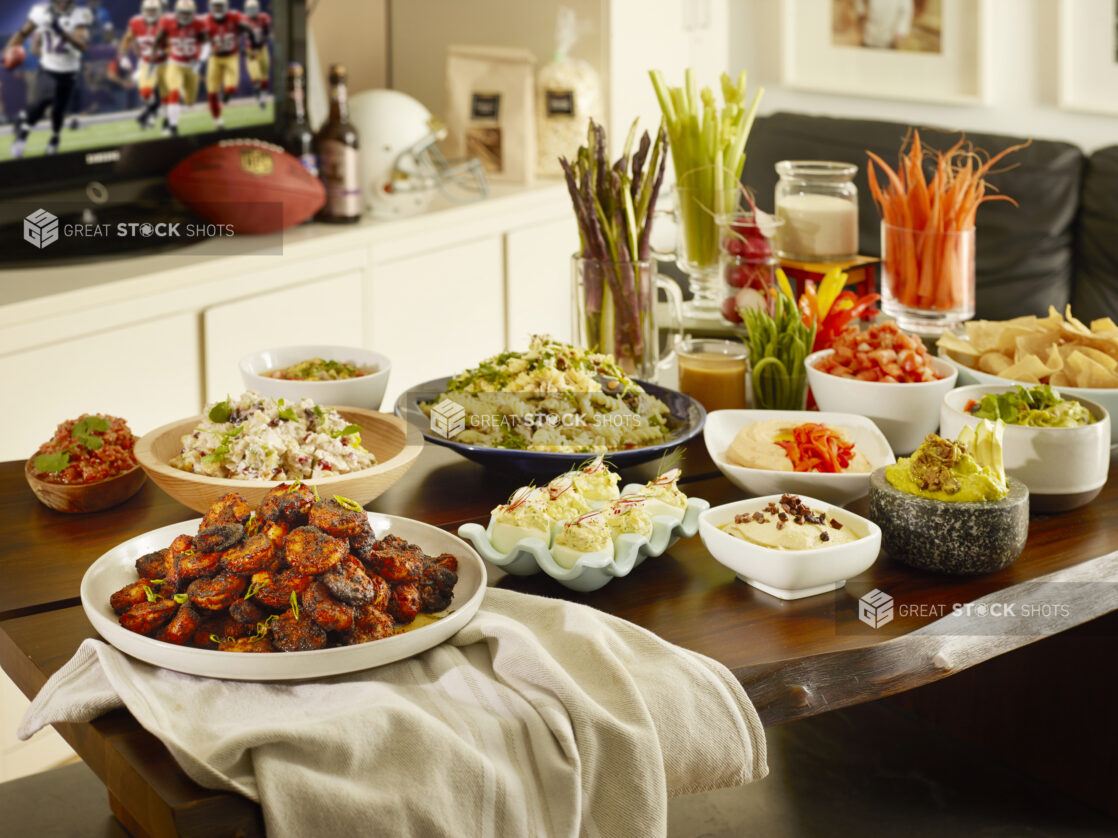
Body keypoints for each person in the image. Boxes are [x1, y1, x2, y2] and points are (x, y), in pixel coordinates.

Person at [4, 0, 91, 157]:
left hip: (69, 71)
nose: (63, 3)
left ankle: (54, 139)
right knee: (41, 101)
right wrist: (7, 51)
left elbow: (83, 45)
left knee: (58, 110)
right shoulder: (40, 12)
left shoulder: (80, 15)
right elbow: (23, 33)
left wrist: (61, 31)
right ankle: (22, 138)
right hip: (48, 67)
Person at [154, 0, 208, 136]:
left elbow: (207, 43)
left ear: (192, 13)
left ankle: (184, 94)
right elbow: (158, 39)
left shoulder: (199, 23)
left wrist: (200, 60)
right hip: (175, 63)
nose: (184, 16)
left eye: (187, 13)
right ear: (176, 12)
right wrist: (156, 53)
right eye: (182, 13)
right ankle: (173, 126)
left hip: (191, 65)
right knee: (174, 91)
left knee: (190, 102)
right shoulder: (168, 22)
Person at [117, 0, 166, 129]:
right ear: (143, 10)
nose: (150, 13)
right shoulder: (135, 22)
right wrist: (123, 56)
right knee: (145, 93)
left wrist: (165, 50)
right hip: (146, 62)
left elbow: (175, 43)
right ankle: (151, 112)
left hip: (164, 63)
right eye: (148, 10)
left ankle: (153, 115)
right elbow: (127, 40)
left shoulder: (165, 23)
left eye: (153, 10)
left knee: (166, 94)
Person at [203, 0, 252, 128]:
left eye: (220, 6)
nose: (218, 9)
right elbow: (201, 40)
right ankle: (218, 121)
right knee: (211, 92)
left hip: (231, 56)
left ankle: (226, 95)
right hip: (215, 58)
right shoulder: (206, 21)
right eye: (215, 6)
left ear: (225, 7)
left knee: (231, 88)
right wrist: (210, 47)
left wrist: (244, 28)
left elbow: (248, 27)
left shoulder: (234, 17)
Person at [242, 0, 271, 109]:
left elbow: (267, 32)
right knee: (255, 76)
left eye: (253, 9)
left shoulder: (264, 18)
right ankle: (259, 94)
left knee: (264, 75)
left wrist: (263, 39)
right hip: (251, 50)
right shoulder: (243, 20)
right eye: (249, 9)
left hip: (262, 49)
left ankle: (262, 97)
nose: (251, 11)